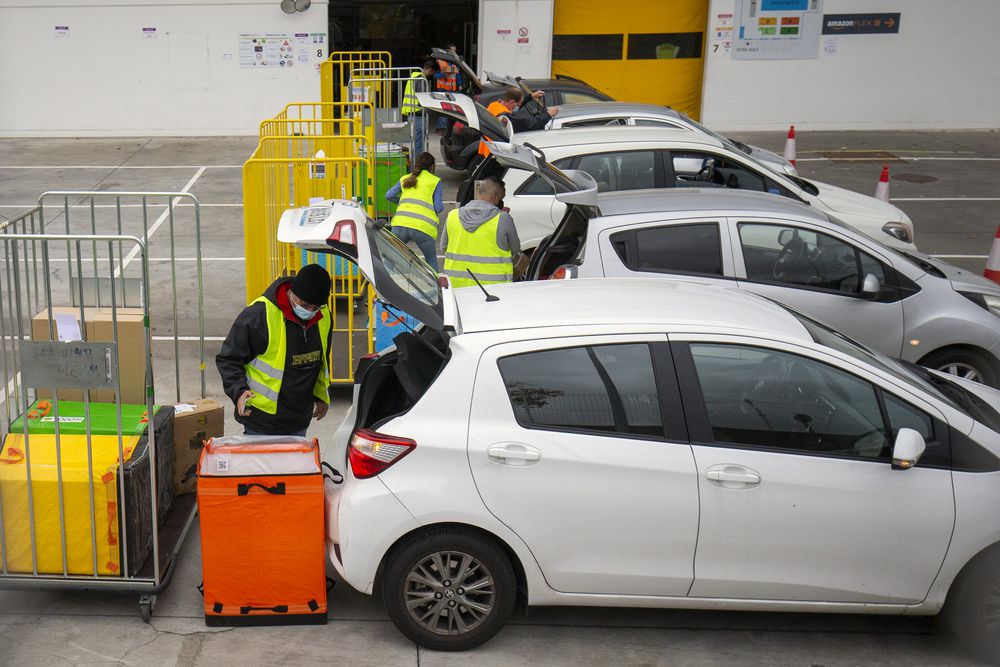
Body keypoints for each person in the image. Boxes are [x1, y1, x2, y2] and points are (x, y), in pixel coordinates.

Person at [216, 264, 333, 437]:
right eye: (305, 305)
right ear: (292, 293)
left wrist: (322, 395)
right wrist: (239, 392)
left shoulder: (323, 316)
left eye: (315, 307)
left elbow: (321, 360)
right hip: (261, 420)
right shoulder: (258, 316)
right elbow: (228, 359)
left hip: (299, 418)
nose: (310, 311)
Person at [441, 176, 526, 288]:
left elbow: (444, 248)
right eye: (502, 198)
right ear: (495, 196)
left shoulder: (452, 216)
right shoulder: (503, 219)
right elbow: (515, 249)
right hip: (494, 289)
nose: (502, 202)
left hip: (457, 287)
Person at [385, 152, 443, 269]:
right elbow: (438, 208)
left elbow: (389, 195)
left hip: (400, 224)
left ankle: (382, 286)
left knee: (390, 260)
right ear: (432, 167)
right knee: (431, 261)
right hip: (422, 227)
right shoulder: (435, 181)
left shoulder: (405, 178)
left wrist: (401, 201)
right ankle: (435, 287)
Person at [478, 87, 559, 161]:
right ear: (512, 102)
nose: (516, 108)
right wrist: (548, 114)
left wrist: (531, 96)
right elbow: (529, 124)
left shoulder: (495, 105)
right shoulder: (505, 117)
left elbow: (518, 103)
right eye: (516, 105)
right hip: (493, 154)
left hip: (485, 149)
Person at [402, 60, 436, 156]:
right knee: (419, 145)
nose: (432, 75)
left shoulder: (414, 77)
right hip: (418, 115)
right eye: (433, 72)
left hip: (412, 114)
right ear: (429, 70)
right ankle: (418, 166)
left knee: (415, 143)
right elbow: (423, 99)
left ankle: (414, 165)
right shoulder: (421, 80)